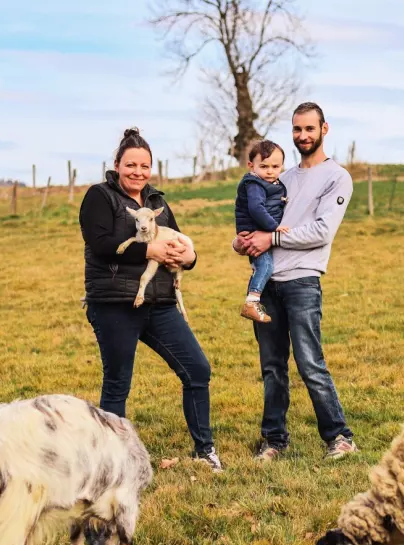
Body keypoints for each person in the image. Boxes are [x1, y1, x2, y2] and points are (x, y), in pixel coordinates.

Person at [79, 127, 223, 473]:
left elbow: (177, 241)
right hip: (115, 303)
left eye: (145, 166)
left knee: (197, 369)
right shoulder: (100, 197)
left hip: (159, 304)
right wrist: (149, 249)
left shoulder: (157, 202)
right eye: (131, 165)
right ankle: (110, 464)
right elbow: (100, 245)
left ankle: (205, 452)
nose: (138, 172)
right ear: (117, 165)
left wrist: (189, 258)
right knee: (118, 382)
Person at [234, 102, 357, 461]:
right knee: (272, 367)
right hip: (269, 283)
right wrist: (241, 241)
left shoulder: (338, 177)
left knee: (309, 363)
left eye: (309, 129)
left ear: (324, 129)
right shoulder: (279, 176)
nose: (303, 135)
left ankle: (340, 436)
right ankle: (274, 440)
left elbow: (321, 230)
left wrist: (270, 239)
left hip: (303, 281)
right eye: (297, 129)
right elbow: (254, 221)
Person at [235, 139, 289, 323]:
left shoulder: (271, 183)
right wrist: (274, 227)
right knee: (265, 266)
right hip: (254, 232)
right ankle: (252, 301)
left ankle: (253, 300)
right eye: (264, 166)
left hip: (257, 230)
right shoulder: (255, 184)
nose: (270, 171)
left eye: (275, 166)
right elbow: (256, 209)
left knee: (261, 266)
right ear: (251, 166)